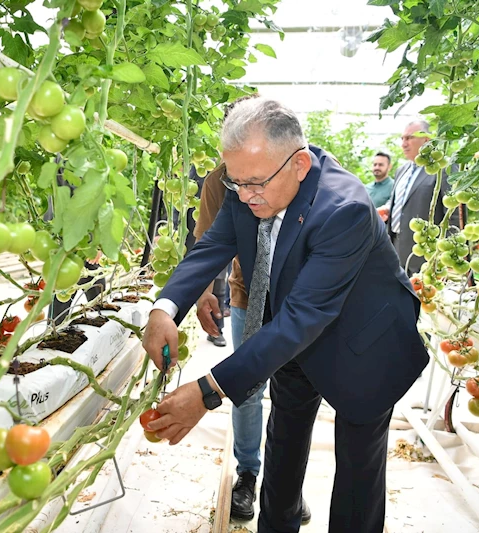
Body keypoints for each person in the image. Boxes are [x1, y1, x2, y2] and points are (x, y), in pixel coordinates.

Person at [142, 97, 429, 533]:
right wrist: (166, 308)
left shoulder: (343, 208)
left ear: (298, 164)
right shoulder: (249, 182)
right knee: (283, 447)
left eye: (254, 184)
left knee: (358, 473)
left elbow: (302, 316)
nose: (245, 195)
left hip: (364, 345)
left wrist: (206, 392)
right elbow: (211, 247)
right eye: (237, 183)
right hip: (294, 341)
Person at [192, 96, 310, 523]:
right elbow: (208, 243)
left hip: (297, 300)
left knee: (294, 391)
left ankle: (286, 485)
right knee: (247, 388)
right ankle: (248, 473)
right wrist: (204, 291)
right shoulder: (217, 184)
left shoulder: (292, 174)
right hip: (246, 296)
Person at [380, 120, 463, 275]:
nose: (404, 144)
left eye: (409, 138)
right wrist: (387, 208)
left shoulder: (443, 168)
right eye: (402, 139)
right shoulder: (402, 170)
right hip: (396, 248)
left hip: (425, 254)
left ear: (426, 140)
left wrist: (449, 253)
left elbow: (453, 214)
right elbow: (400, 200)